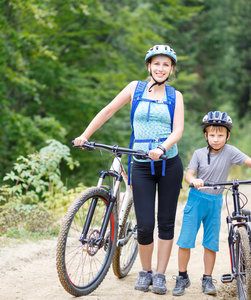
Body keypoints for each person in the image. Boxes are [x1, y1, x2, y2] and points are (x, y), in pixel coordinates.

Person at [74, 45, 184, 295]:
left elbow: (178, 131)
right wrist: (85, 135)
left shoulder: (175, 96)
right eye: (156, 63)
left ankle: (159, 275)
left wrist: (162, 147)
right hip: (141, 165)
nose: (160, 68)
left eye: (166, 64)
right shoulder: (134, 89)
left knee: (165, 223)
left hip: (169, 165)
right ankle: (144, 272)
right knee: (144, 225)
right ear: (149, 66)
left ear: (171, 69)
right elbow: (108, 110)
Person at [171, 111, 251, 296]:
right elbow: (188, 174)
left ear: (228, 135)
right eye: (212, 135)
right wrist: (194, 180)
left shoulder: (231, 151)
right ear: (206, 135)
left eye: (220, 135)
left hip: (216, 201)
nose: (216, 139)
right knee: (186, 240)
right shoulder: (198, 154)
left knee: (211, 242)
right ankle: (181, 276)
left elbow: (250, 162)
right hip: (197, 199)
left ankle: (207, 278)